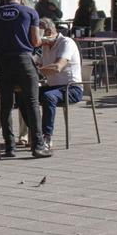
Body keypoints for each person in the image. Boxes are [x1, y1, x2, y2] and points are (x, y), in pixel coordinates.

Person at [0, 0, 51, 158]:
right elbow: (35, 41)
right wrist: (44, 41)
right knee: (32, 102)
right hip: (23, 60)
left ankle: (10, 147)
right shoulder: (30, 12)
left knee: (6, 104)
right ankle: (38, 146)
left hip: (3, 61)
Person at [36, 18, 82, 149]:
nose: (37, 40)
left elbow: (57, 67)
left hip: (71, 88)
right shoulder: (46, 46)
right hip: (53, 87)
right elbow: (37, 61)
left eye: (39, 35)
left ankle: (46, 137)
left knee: (48, 97)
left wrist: (36, 71)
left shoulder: (66, 42)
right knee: (25, 94)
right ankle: (35, 132)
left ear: (49, 32)